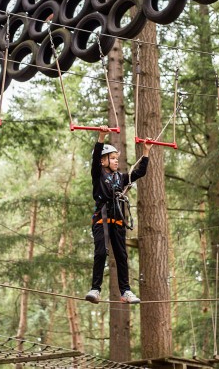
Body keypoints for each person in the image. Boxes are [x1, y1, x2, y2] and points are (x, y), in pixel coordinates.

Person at [86, 126, 153, 304]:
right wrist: (101, 136)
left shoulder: (120, 178)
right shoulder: (98, 175)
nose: (116, 161)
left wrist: (145, 152)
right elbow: (94, 159)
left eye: (117, 158)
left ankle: (126, 292)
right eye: (113, 158)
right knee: (101, 253)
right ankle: (95, 289)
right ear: (103, 161)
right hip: (102, 220)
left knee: (122, 256)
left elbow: (140, 173)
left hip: (118, 223)